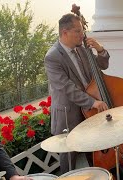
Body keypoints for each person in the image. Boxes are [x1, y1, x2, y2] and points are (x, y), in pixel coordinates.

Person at [44, 13, 109, 174]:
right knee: (69, 159)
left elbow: (102, 65)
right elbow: (66, 87)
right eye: (78, 31)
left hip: (88, 111)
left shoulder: (82, 49)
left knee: (92, 150)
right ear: (65, 32)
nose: (83, 35)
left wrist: (100, 50)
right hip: (69, 114)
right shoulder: (52, 57)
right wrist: (92, 102)